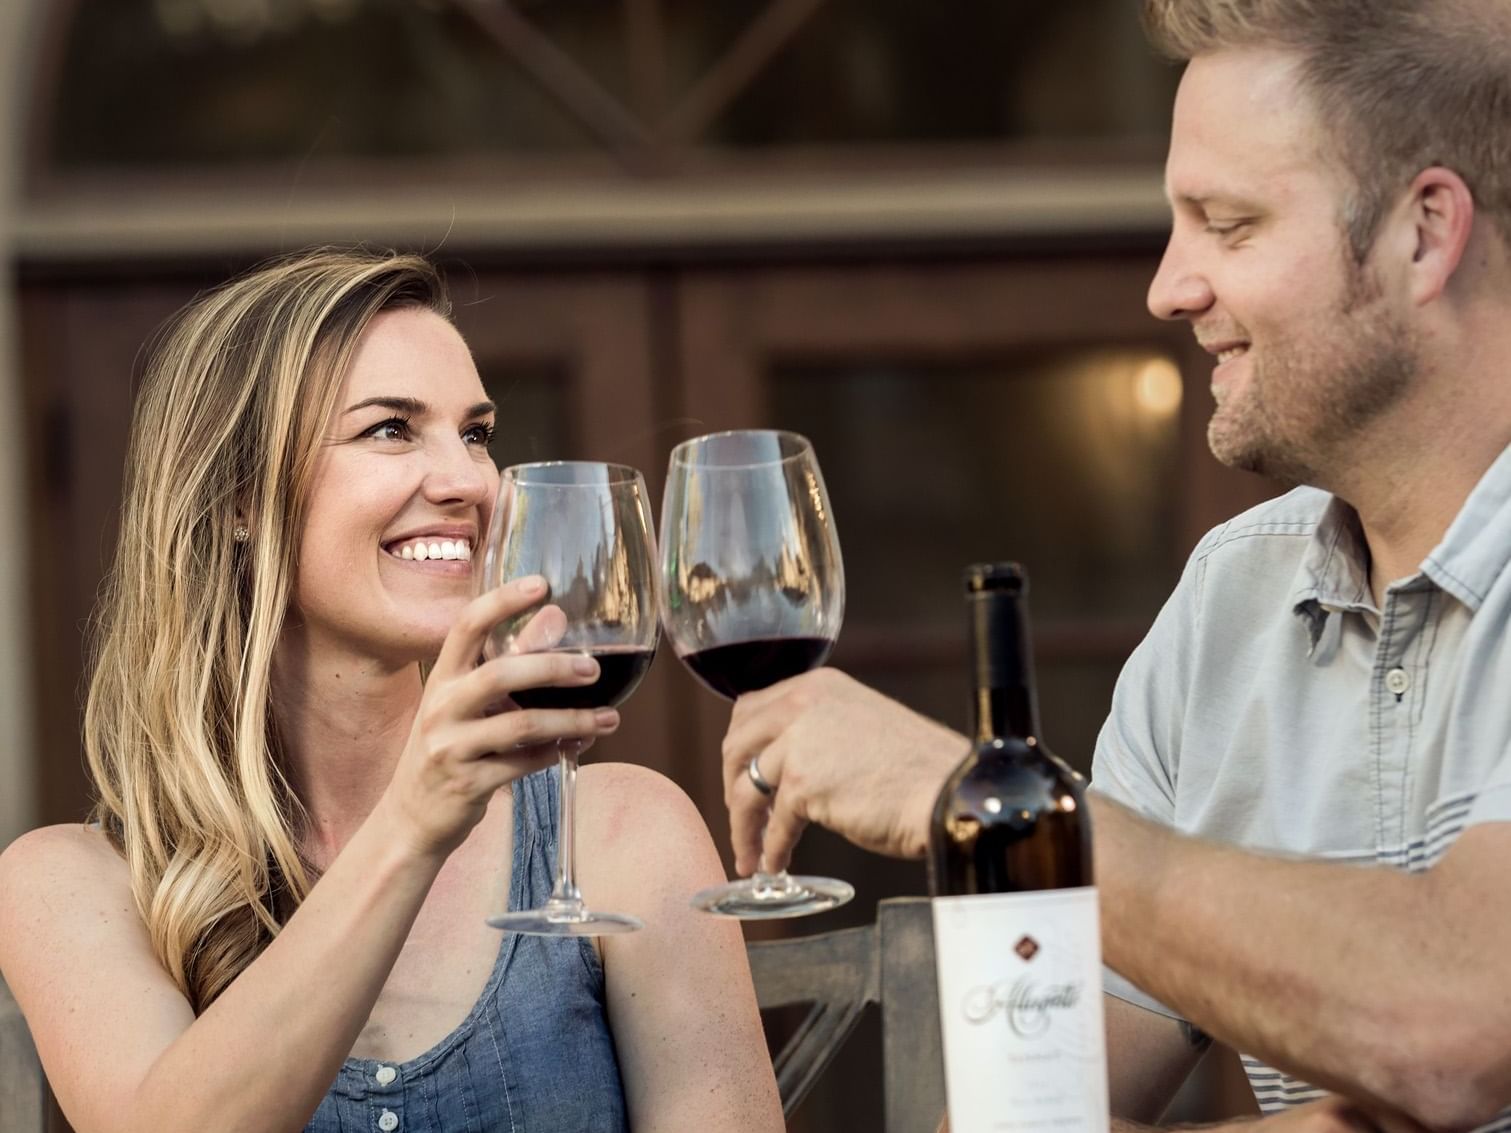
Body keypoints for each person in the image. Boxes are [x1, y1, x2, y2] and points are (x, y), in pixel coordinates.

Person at [719, 1, 1511, 1129]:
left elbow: (1455, 1029)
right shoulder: (1228, 603)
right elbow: (1018, 1112)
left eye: (1226, 225)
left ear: (1424, 234)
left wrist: (990, 807)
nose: (1168, 286)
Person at [0, 249, 783, 1133]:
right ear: (239, 497)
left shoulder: (623, 836)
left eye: (476, 433)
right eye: (390, 429)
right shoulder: (71, 884)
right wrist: (413, 826)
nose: (469, 482)